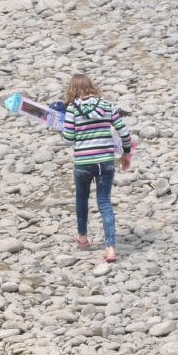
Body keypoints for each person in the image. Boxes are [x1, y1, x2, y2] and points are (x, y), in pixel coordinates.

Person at [59, 74, 132, 263]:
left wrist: (63, 129)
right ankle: (110, 249)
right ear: (91, 86)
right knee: (105, 202)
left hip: (83, 162)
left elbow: (68, 139)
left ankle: (82, 238)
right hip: (105, 162)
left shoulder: (73, 108)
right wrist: (125, 153)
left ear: (72, 90)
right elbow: (124, 132)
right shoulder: (107, 105)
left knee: (82, 198)